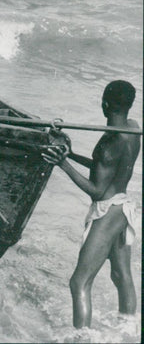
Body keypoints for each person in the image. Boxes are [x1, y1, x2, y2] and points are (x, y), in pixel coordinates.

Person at [42, 80, 140, 329]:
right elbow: (105, 170)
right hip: (123, 207)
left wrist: (62, 164)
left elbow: (97, 191)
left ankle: (81, 338)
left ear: (105, 104)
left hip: (107, 212)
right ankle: (128, 328)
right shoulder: (133, 129)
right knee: (121, 276)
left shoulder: (109, 143)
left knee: (79, 283)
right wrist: (70, 154)